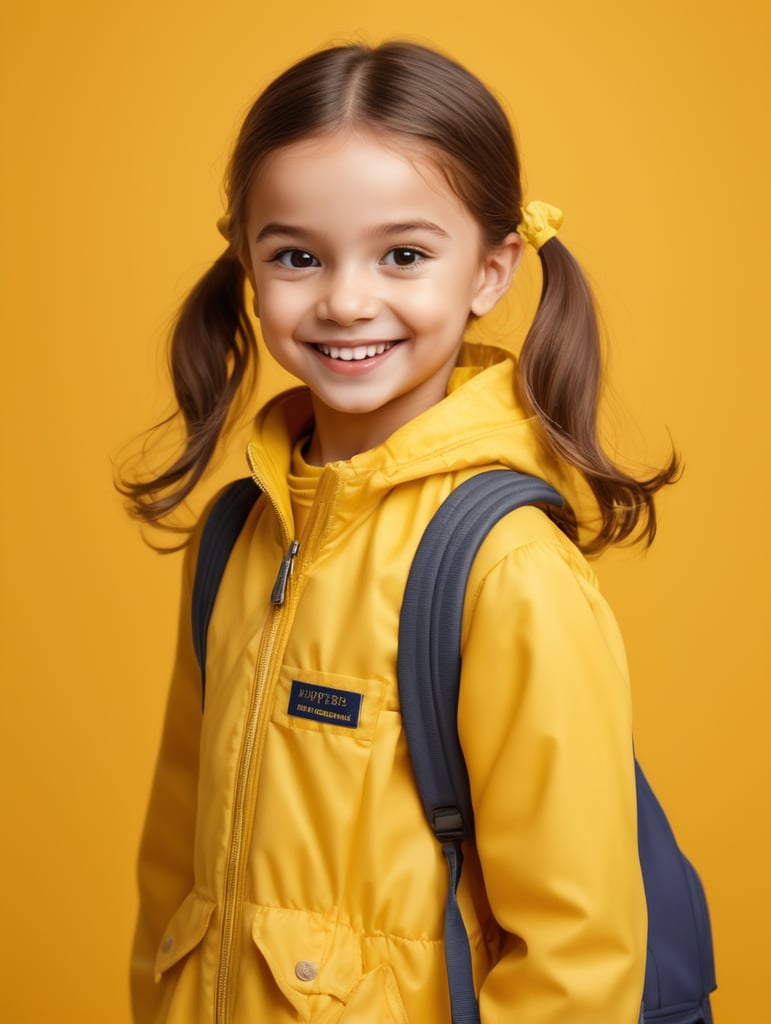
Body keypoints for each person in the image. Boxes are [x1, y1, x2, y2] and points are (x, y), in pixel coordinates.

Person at [123, 40, 678, 1024]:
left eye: (404, 255)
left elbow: (577, 960)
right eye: (297, 255)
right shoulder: (235, 535)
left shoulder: (504, 567)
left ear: (491, 270)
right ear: (247, 265)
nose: (344, 298)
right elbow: (174, 873)